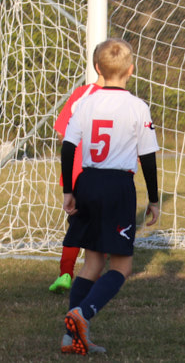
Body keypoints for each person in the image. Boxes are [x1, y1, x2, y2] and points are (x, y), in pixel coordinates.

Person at [59, 38, 160, 355]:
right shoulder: (137, 107)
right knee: (122, 267)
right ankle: (83, 314)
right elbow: (148, 158)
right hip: (117, 187)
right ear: (131, 70)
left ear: (97, 68)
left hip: (87, 182)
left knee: (92, 263)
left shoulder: (85, 103)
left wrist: (69, 190)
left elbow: (68, 147)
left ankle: (70, 338)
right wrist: (154, 199)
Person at [49, 76, 105, 294]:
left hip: (77, 171)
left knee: (76, 223)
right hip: (107, 173)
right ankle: (95, 276)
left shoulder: (81, 94)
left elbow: (61, 132)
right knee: (101, 225)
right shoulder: (121, 98)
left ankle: (65, 274)